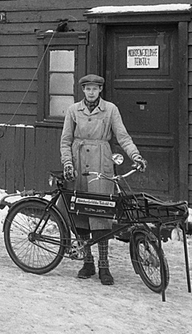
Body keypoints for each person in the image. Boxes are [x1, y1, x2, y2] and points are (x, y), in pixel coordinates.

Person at [59, 73, 147, 285]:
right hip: (79, 164)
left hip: (102, 163)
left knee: (102, 211)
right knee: (79, 212)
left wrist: (135, 155)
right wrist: (68, 163)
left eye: (94, 89)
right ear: (83, 91)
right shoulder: (73, 111)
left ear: (100, 90)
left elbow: (123, 136)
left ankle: (104, 265)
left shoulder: (111, 110)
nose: (91, 92)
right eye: (87, 88)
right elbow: (65, 140)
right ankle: (87, 262)